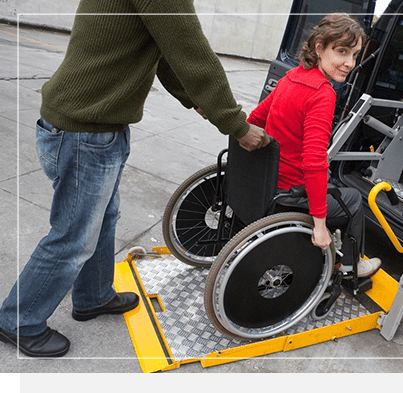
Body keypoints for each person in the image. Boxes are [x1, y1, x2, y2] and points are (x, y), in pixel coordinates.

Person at [0, 0, 269, 358]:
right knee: (73, 237)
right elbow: (193, 55)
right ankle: (18, 320)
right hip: (86, 132)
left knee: (103, 220)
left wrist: (199, 103)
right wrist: (235, 125)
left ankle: (93, 296)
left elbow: (166, 57)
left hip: (91, 127)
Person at [247, 14, 381, 278]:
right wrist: (319, 225)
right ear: (319, 47)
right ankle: (352, 266)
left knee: (332, 184)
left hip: (264, 180)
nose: (349, 63)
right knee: (353, 199)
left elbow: (254, 120)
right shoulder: (322, 93)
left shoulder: (290, 78)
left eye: (354, 55)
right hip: (289, 193)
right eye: (341, 51)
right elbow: (313, 162)